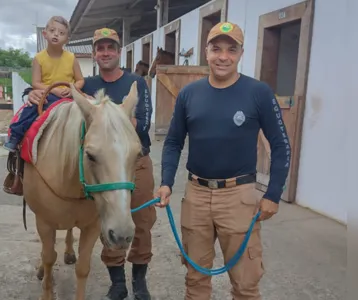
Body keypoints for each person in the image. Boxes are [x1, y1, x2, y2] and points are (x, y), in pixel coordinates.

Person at [154, 22, 291, 300]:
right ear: (206, 51)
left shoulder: (258, 93)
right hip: (196, 196)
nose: (223, 56)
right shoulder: (189, 95)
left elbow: (281, 145)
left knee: (245, 285)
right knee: (195, 280)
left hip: (238, 197)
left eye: (231, 49)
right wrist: (166, 182)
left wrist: (273, 194)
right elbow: (172, 142)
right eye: (216, 48)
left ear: (241, 53)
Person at [27, 28, 156, 300]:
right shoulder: (86, 85)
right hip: (100, 163)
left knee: (141, 222)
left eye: (111, 47)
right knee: (103, 216)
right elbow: (64, 109)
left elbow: (142, 126)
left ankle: (140, 282)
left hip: (134, 160)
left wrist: (111, 118)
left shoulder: (136, 84)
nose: (106, 52)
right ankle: (117, 281)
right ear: (95, 54)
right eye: (101, 48)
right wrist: (34, 94)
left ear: (119, 51)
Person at [3, 16, 85, 152]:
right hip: (48, 95)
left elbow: (80, 80)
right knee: (30, 109)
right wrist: (53, 90)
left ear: (67, 39)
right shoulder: (38, 58)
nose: (56, 34)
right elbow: (36, 83)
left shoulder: (71, 58)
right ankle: (16, 136)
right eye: (52, 30)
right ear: (45, 34)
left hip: (68, 97)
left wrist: (73, 89)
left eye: (61, 33)